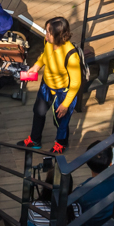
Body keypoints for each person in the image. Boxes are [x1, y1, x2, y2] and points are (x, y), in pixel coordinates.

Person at [23, 16, 82, 152]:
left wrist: (66, 104)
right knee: (38, 112)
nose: (46, 35)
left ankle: (61, 143)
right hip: (46, 85)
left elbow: (76, 83)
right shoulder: (48, 42)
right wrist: (37, 66)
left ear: (58, 35)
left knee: (61, 120)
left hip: (63, 91)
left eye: (48, 32)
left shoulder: (71, 56)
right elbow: (45, 55)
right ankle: (35, 140)